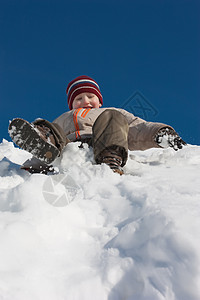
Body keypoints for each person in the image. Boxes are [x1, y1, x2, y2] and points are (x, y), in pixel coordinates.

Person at [10, 75, 187, 175]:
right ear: (71, 104)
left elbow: (137, 127)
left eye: (90, 97)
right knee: (48, 128)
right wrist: (31, 164)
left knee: (114, 118)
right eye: (78, 98)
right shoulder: (63, 117)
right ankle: (43, 152)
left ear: (99, 100)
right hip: (67, 148)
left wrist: (160, 133)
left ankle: (110, 159)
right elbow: (56, 135)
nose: (85, 101)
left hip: (101, 143)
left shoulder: (107, 112)